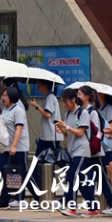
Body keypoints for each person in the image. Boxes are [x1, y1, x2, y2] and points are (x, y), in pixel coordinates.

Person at [56, 88, 95, 217]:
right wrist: (62, 129)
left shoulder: (83, 113)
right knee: (82, 181)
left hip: (82, 151)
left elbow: (79, 132)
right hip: (73, 151)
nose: (64, 104)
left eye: (66, 101)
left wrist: (66, 127)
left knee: (72, 176)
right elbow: (69, 135)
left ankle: (72, 207)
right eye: (63, 102)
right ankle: (93, 208)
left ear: (73, 100)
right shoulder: (68, 114)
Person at [0, 86, 32, 210]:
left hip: (18, 147)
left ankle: (38, 196)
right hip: (5, 147)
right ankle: (4, 201)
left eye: (5, 96)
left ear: (12, 97)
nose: (3, 98)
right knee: (5, 172)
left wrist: (14, 145)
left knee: (23, 173)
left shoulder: (17, 110)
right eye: (3, 95)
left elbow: (19, 129)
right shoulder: (5, 110)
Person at [79, 85, 112, 216]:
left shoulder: (92, 112)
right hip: (86, 150)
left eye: (80, 94)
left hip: (93, 150)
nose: (78, 96)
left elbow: (94, 131)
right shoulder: (82, 111)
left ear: (87, 96)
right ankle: (92, 206)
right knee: (82, 177)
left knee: (99, 178)